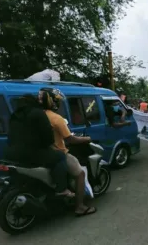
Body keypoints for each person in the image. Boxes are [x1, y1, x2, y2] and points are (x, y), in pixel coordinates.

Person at [38, 88, 97, 217]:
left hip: (40, 153)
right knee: (80, 174)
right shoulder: (56, 118)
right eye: (56, 101)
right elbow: (70, 139)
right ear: (52, 102)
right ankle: (80, 207)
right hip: (58, 153)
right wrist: (87, 138)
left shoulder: (37, 115)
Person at [5, 94, 74, 197]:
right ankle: (61, 188)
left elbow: (10, 137)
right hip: (32, 154)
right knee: (60, 156)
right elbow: (49, 139)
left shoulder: (14, 116)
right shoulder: (38, 113)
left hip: (11, 154)